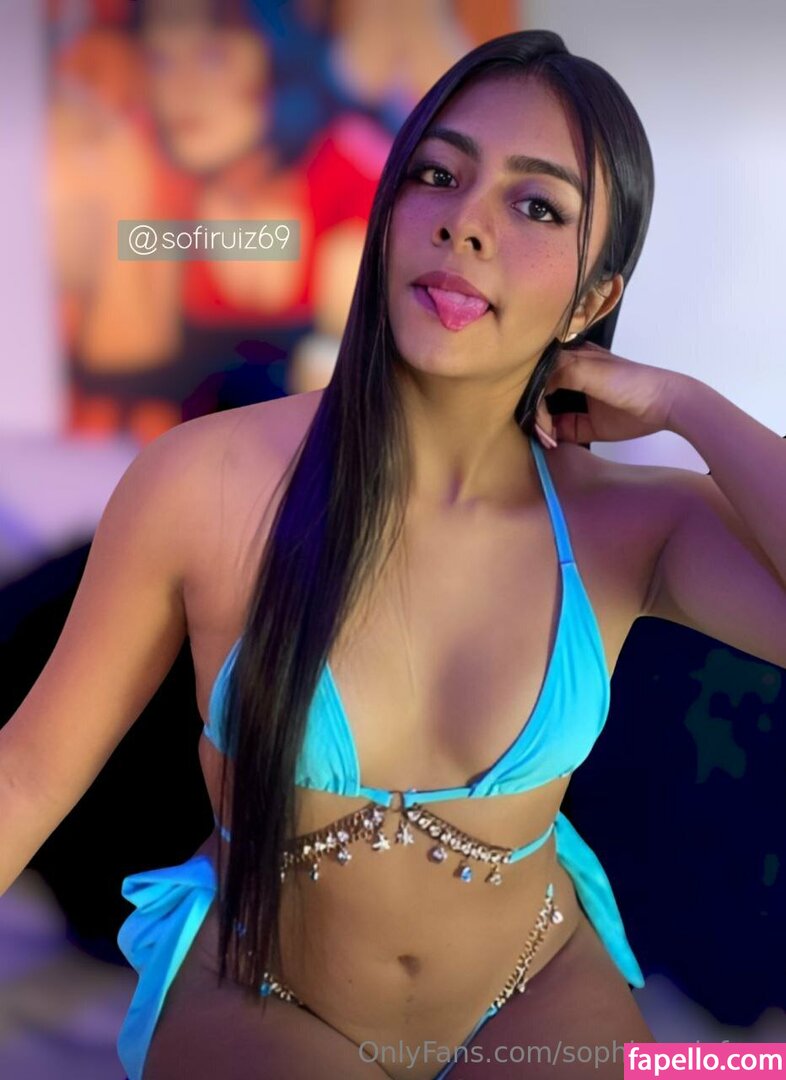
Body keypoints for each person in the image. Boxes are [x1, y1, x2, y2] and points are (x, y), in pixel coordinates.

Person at [3, 28, 785, 1080]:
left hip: (534, 986)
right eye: (438, 176)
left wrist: (688, 405)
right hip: (264, 990)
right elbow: (26, 774)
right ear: (388, 218)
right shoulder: (203, 482)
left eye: (536, 205)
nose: (467, 222)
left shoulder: (630, 525)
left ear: (593, 297)